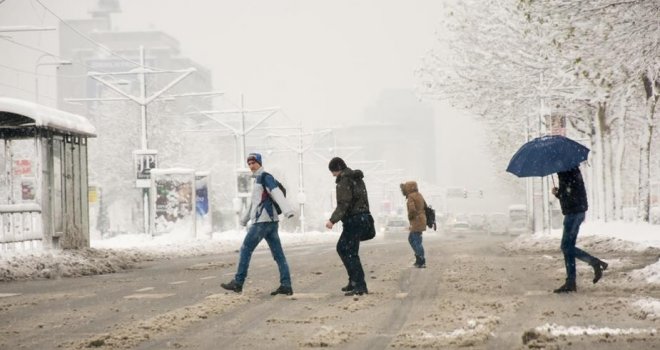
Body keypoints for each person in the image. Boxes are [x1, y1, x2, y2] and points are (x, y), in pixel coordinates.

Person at [221, 153, 296, 296]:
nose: (251, 166)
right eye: (249, 163)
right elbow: (254, 204)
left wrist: (287, 211)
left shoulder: (265, 177)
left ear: (259, 163)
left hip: (262, 222)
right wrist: (244, 219)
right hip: (270, 223)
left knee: (245, 249)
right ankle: (286, 285)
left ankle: (238, 282)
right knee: (278, 255)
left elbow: (276, 193)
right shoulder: (257, 181)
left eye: (253, 162)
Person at [552, 166, 608, 293]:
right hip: (576, 211)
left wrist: (559, 193)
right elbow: (571, 192)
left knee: (566, 247)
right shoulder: (570, 169)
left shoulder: (566, 171)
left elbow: (569, 193)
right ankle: (571, 282)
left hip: (573, 213)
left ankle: (594, 263)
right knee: (568, 248)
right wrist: (559, 193)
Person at [325, 157, 371, 296]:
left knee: (347, 250)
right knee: (347, 250)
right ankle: (354, 282)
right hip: (361, 218)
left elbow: (344, 203)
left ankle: (360, 285)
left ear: (337, 169)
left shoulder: (344, 180)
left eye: (333, 171)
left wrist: (332, 220)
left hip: (354, 220)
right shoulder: (356, 178)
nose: (333, 175)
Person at [400, 181, 427, 268]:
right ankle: (419, 259)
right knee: (414, 239)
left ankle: (421, 260)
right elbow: (425, 206)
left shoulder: (411, 196)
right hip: (421, 219)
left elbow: (412, 209)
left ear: (408, 188)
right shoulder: (419, 195)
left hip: (416, 220)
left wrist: (410, 217)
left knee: (415, 240)